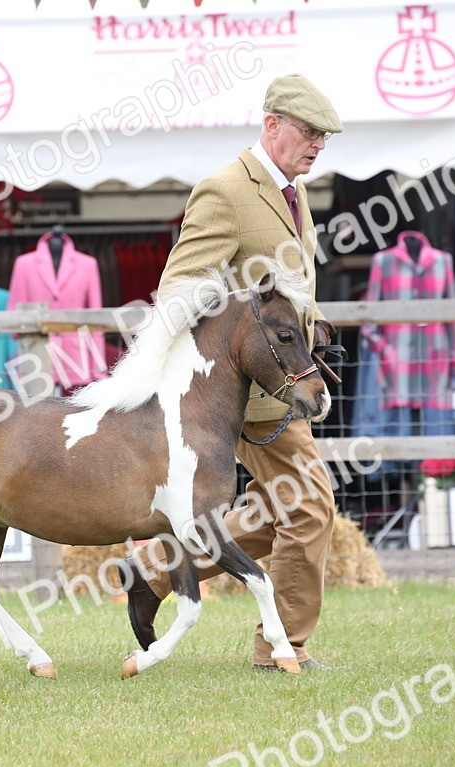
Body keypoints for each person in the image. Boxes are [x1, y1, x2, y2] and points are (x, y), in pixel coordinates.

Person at [117, 74, 344, 673]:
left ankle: (157, 568)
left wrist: (313, 326)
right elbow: (180, 289)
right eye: (308, 132)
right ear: (272, 125)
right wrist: (246, 322)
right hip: (244, 398)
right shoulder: (224, 191)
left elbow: (290, 289)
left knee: (277, 515)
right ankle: (281, 649)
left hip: (281, 386)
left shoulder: (292, 194)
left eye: (324, 137)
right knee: (311, 510)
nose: (318, 145)